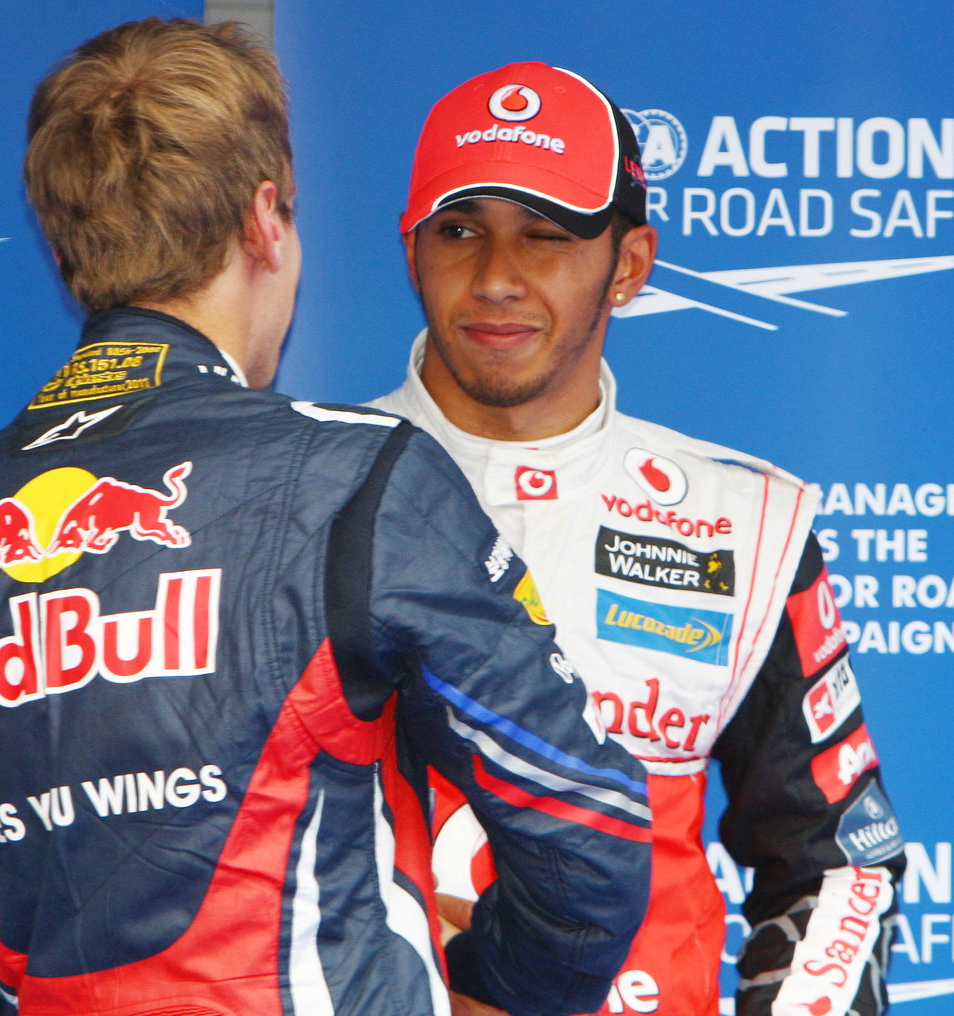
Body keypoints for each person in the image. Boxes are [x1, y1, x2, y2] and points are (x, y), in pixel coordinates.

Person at [0, 22, 653, 1016]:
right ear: (263, 222)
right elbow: (584, 828)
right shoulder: (356, 476)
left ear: (70, 244)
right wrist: (489, 992)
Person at [370, 62, 907, 1016]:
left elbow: (836, 868)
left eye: (546, 237)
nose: (497, 277)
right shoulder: (295, 490)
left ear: (629, 264)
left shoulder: (747, 524)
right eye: (461, 232)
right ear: (411, 248)